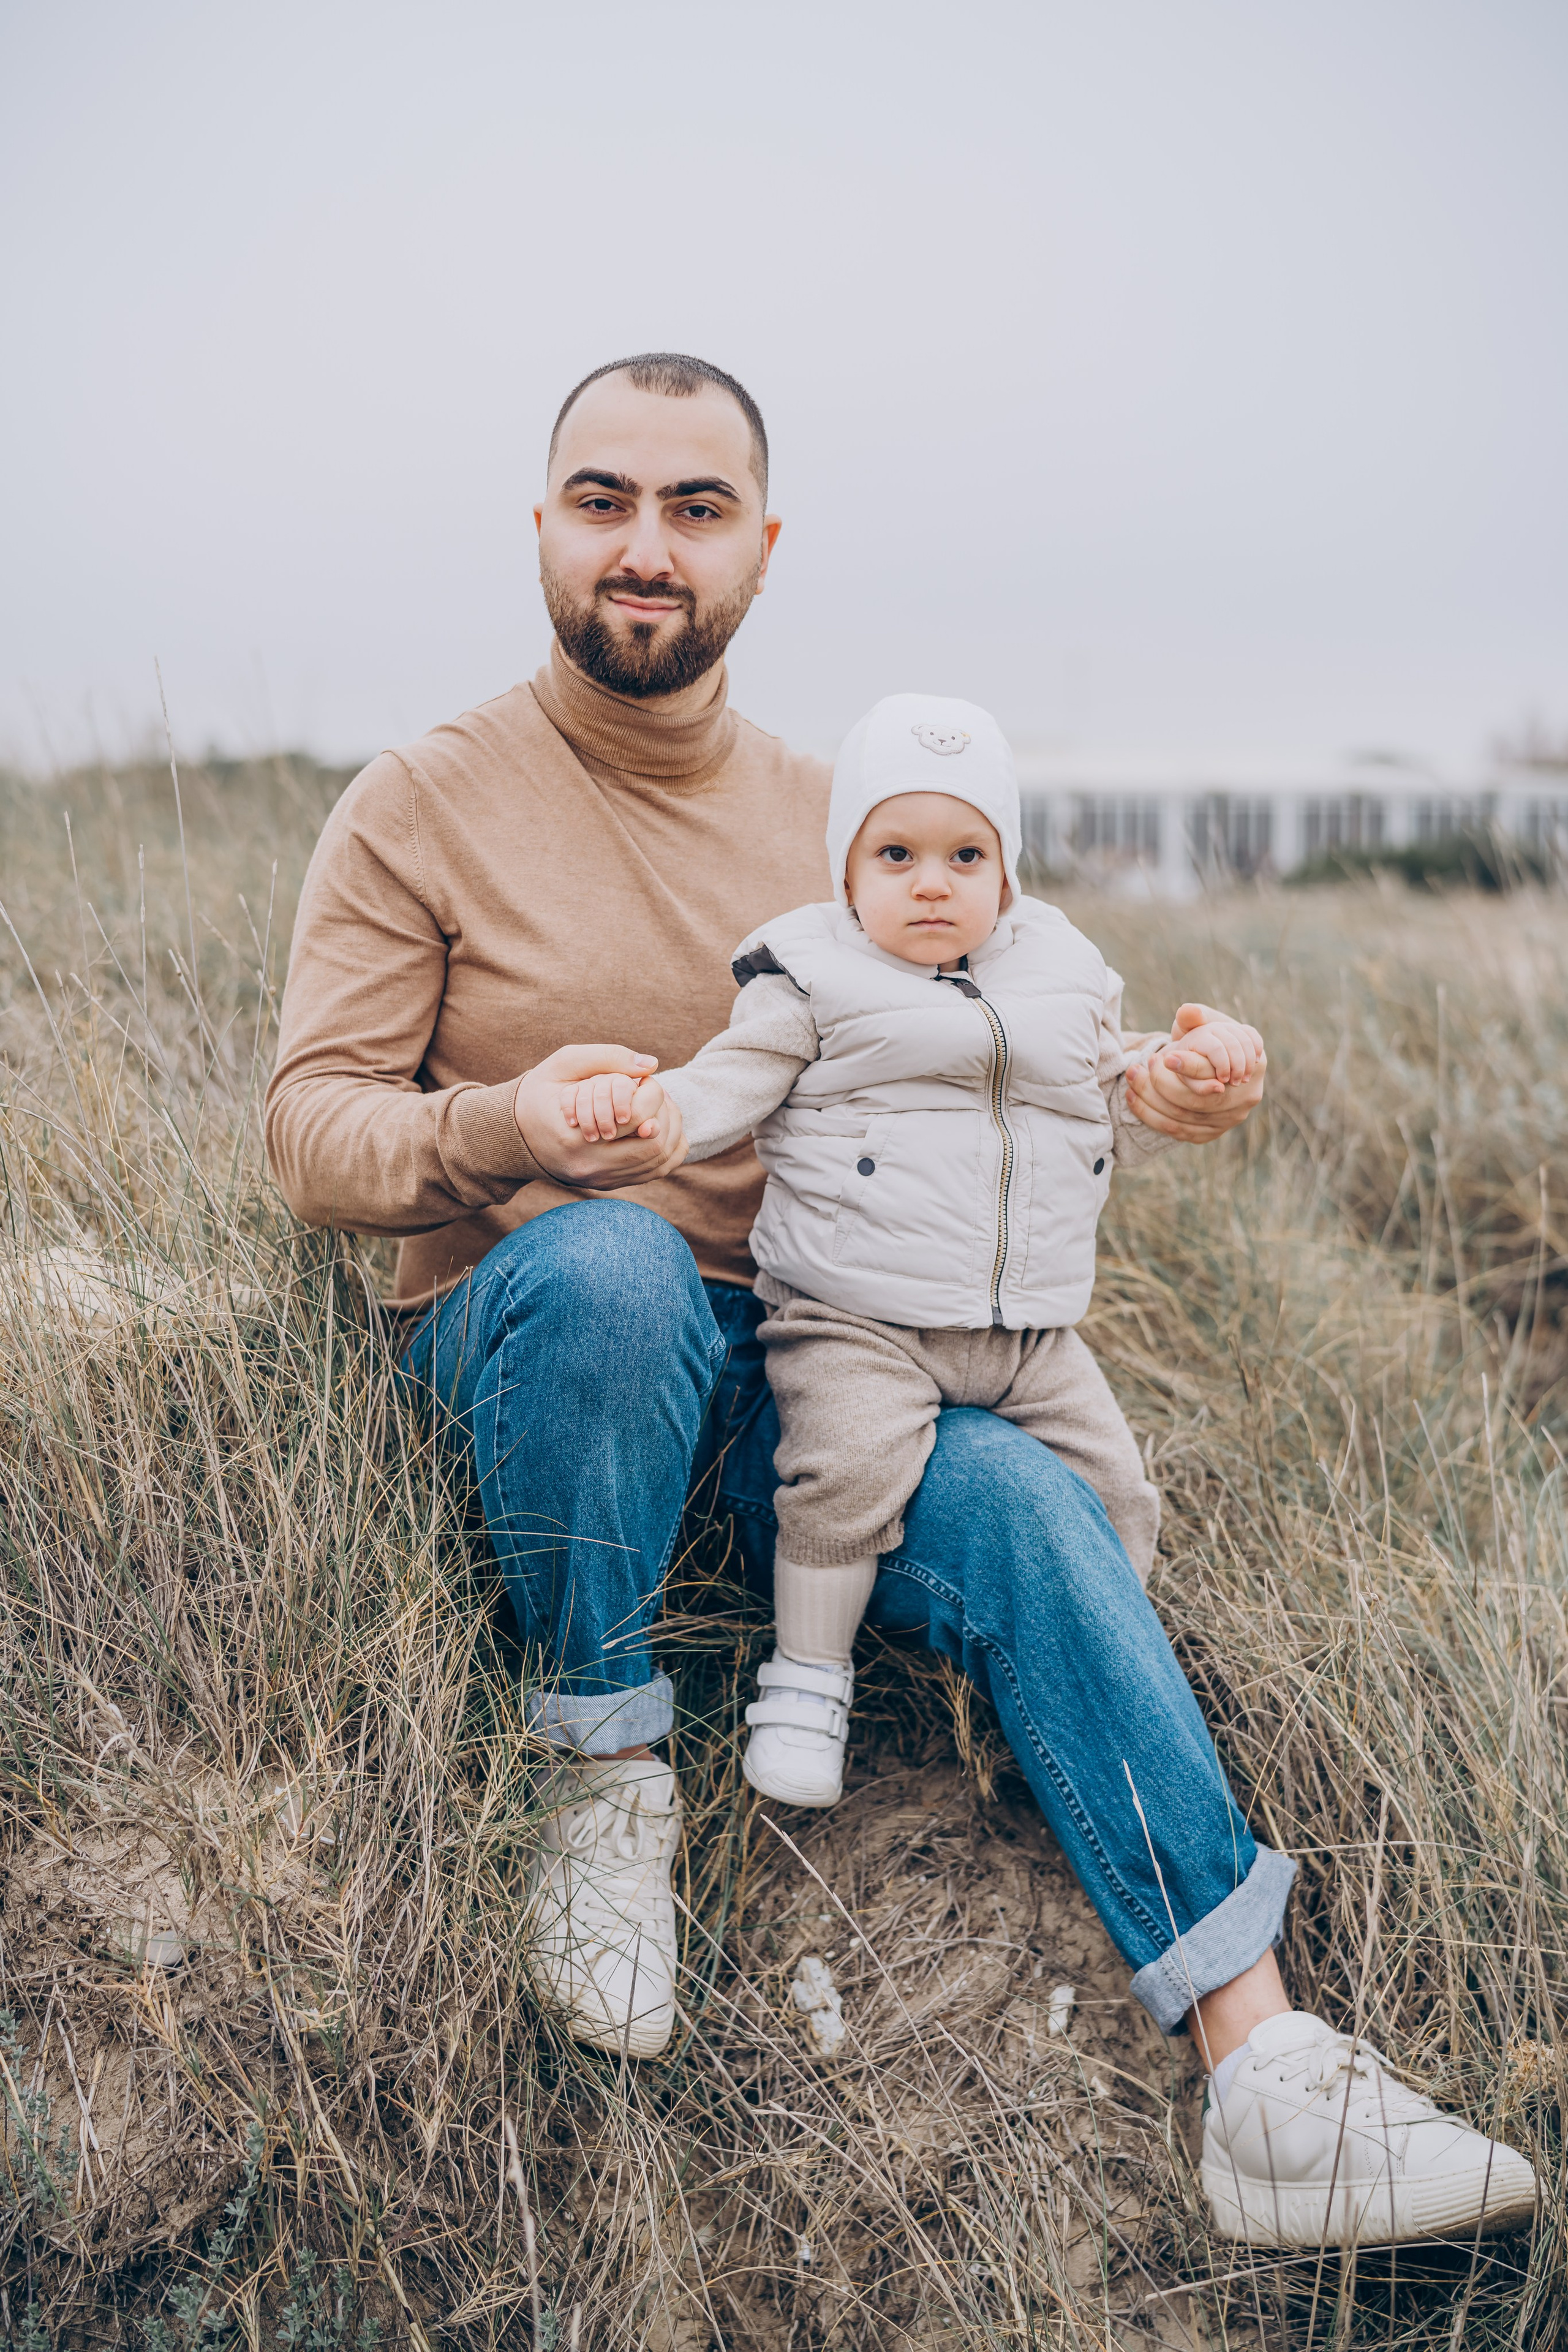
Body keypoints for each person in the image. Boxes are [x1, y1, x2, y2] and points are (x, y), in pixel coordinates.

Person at [265, 351, 1536, 2248]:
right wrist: (510, 1125)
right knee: (615, 1261)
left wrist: (1172, 1081)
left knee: (1022, 1498)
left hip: (803, 1369)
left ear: (761, 552)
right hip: (540, 1359)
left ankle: (1262, 2072)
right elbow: (306, 1133)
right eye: (603, 500)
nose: (645, 547)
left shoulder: (852, 820)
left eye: (695, 511)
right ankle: (603, 1772)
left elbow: (1031, 1024)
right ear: (542, 525)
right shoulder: (420, 804)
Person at [560, 688, 1264, 1813]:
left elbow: (1111, 1092)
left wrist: (1183, 1073)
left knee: (1117, 1491)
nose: (932, 881)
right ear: (847, 870)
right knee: (842, 1478)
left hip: (1029, 1332)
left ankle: (1076, 1690)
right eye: (897, 853)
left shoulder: (1059, 974)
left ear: (1006, 871)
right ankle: (808, 1680)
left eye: (965, 854)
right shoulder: (811, 975)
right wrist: (657, 1117)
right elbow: (727, 1082)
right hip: (858, 1317)